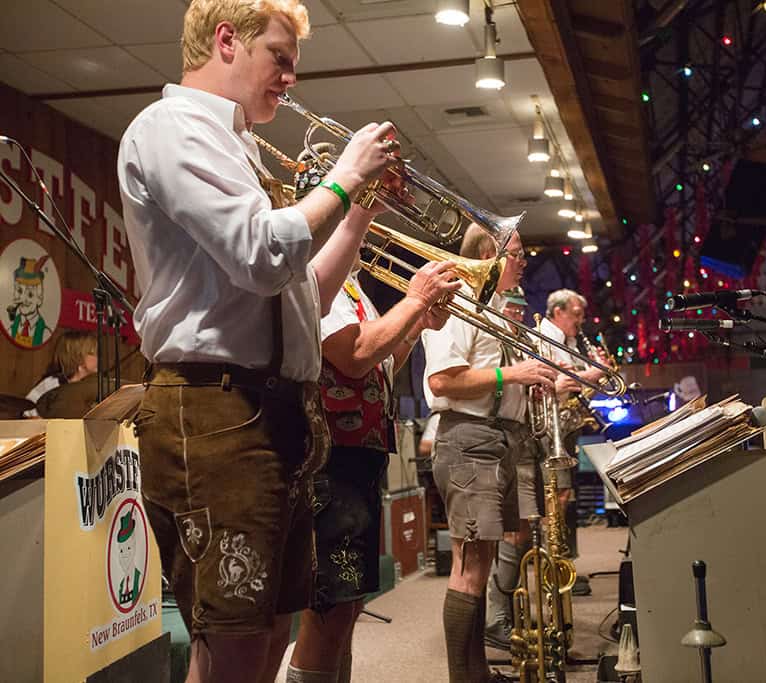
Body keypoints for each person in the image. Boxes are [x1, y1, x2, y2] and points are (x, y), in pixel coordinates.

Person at [117, 2, 402, 682]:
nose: (290, 78)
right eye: (280, 57)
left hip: (270, 412)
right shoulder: (173, 127)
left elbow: (306, 295)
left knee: (270, 630)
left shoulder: (237, 144)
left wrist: (357, 212)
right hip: (216, 412)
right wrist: (343, 177)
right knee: (236, 643)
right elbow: (260, 251)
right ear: (225, 42)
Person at [288, 258, 459, 682]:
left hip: (358, 454)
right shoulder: (320, 275)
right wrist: (415, 300)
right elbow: (354, 356)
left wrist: (415, 324)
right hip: (332, 456)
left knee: (346, 604)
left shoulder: (351, 286)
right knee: (330, 604)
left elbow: (379, 365)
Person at [422, 226, 557, 682]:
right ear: (487, 255)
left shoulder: (493, 310)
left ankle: (477, 674)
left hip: (496, 439)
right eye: (516, 253)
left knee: (479, 564)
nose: (524, 261)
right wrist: (511, 376)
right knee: (468, 566)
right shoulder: (458, 303)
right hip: (469, 439)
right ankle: (463, 678)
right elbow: (443, 381)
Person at [483, 287, 578, 650]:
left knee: (523, 531)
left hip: (528, 439)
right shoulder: (494, 341)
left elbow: (535, 397)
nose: (519, 314)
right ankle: (496, 615)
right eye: (512, 307)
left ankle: (507, 611)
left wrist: (556, 386)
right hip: (503, 439)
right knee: (511, 533)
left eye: (523, 307)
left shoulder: (523, 343)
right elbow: (496, 395)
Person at [536, 289, 607, 592]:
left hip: (568, 427)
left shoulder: (570, 341)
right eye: (576, 314)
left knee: (567, 498)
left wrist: (595, 375)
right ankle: (553, 570)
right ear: (558, 312)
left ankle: (565, 566)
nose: (581, 320)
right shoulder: (543, 336)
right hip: (554, 429)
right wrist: (591, 374)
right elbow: (556, 379)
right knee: (557, 499)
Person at [23, 330, 98, 417]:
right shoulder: (51, 384)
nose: (98, 358)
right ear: (78, 356)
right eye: (93, 353)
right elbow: (27, 412)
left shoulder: (94, 387)